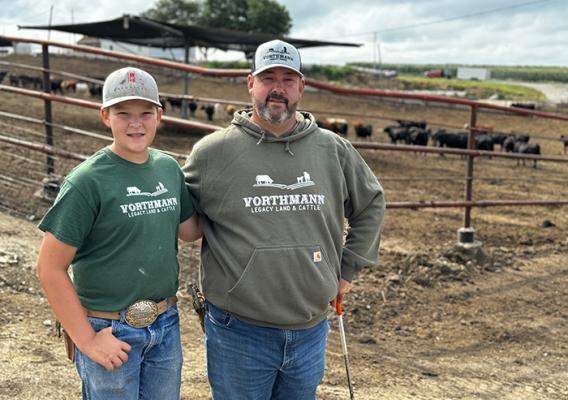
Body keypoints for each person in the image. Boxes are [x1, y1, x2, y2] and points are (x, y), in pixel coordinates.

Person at [183, 39, 385, 399]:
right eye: (268, 78)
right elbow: (178, 216)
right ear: (251, 84)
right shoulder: (213, 153)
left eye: (288, 80)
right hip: (239, 330)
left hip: (310, 329)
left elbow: (371, 203)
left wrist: (347, 269)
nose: (278, 89)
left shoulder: (332, 149)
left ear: (301, 88)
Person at [36, 67, 201, 400]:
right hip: (108, 327)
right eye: (123, 113)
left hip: (164, 322)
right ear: (105, 116)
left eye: (145, 113)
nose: (135, 123)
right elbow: (49, 268)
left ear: (160, 115)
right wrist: (87, 339)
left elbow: (189, 230)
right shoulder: (87, 182)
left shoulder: (168, 168)